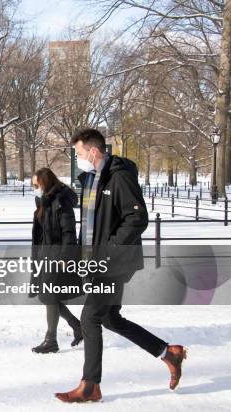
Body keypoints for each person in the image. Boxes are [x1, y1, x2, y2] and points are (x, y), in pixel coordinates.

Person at [55, 128, 186, 403]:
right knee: (109, 318)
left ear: (93, 151)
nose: (77, 158)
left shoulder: (120, 176)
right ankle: (168, 353)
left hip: (114, 262)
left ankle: (90, 385)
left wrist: (109, 250)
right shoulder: (91, 180)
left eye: (79, 153)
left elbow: (137, 219)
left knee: (90, 317)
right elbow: (89, 226)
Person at [31, 168, 83, 354]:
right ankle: (77, 326)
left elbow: (69, 231)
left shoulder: (60, 201)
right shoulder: (44, 201)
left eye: (37, 185)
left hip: (58, 257)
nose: (35, 188)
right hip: (45, 256)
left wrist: (65, 258)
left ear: (46, 183)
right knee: (46, 296)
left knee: (49, 296)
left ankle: (51, 339)